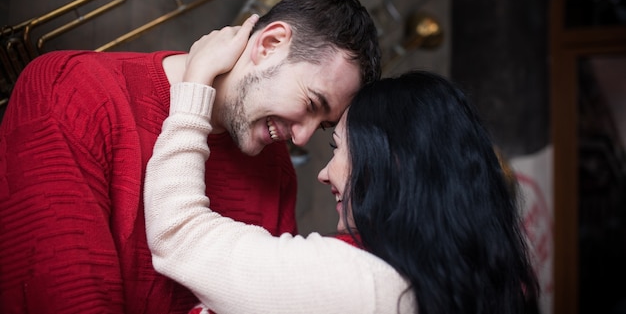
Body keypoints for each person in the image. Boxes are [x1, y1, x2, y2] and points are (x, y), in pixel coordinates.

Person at [0, 0, 381, 313]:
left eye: (321, 126)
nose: (301, 138)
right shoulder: (70, 91)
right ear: (271, 44)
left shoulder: (276, 169)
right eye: (312, 104)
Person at [143, 24, 540, 314]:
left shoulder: (365, 286)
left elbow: (178, 233)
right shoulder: (452, 280)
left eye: (337, 147)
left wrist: (196, 80)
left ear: (391, 162)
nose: (323, 172)